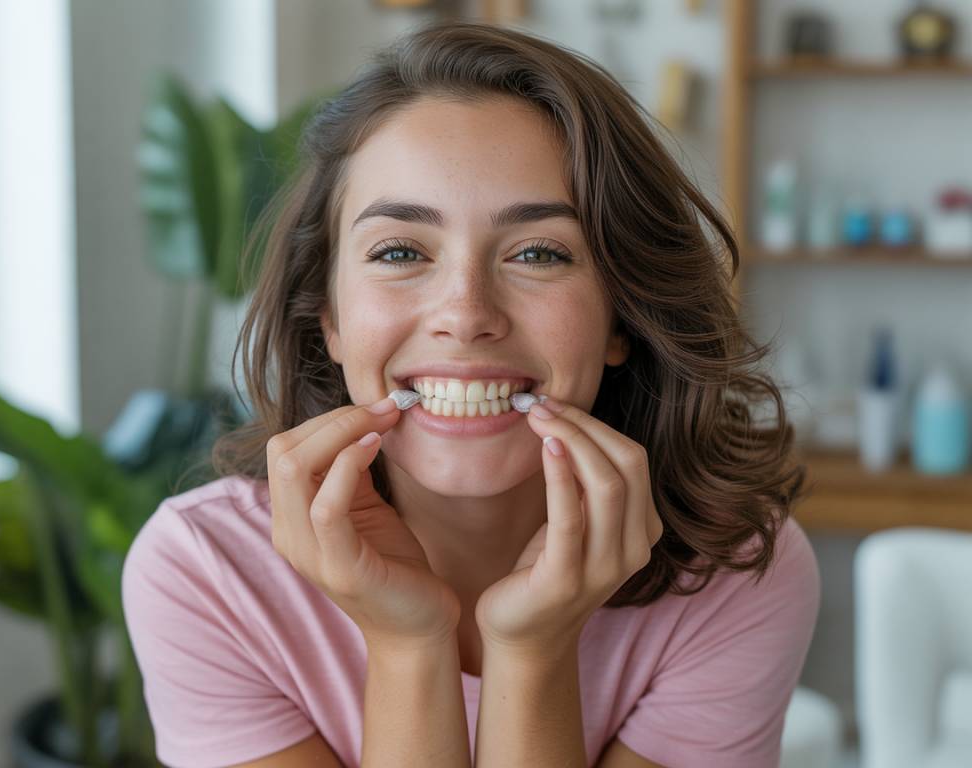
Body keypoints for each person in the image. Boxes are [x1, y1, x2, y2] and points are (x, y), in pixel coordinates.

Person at [121, 19, 820, 768]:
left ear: (622, 315)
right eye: (399, 251)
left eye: (538, 253)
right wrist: (407, 643)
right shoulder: (206, 573)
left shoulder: (736, 571)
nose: (465, 314)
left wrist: (533, 651)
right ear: (329, 317)